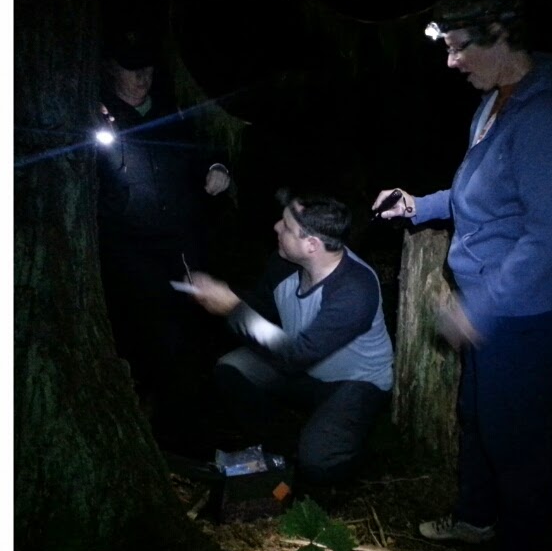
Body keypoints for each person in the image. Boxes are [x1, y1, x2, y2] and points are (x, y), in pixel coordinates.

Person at [372, 0, 552, 551]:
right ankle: (475, 518)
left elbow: (549, 236)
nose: (451, 61)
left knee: (514, 435)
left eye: (460, 46)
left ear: (502, 36)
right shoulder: (497, 100)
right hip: (490, 303)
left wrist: (483, 309)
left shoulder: (547, 116)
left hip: (523, 311)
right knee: (475, 415)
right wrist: (419, 205)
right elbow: (479, 194)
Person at [188, 189, 394, 487]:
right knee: (231, 368)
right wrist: (222, 295)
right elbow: (262, 308)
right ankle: (280, 447)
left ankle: (354, 460)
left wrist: (233, 308)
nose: (276, 227)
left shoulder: (354, 290)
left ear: (311, 245)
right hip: (304, 371)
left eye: (286, 226)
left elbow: (296, 355)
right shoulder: (282, 263)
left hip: (355, 382)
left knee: (319, 463)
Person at [95, 25, 234, 447]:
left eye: (148, 68)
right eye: (131, 69)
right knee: (144, 338)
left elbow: (205, 150)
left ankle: (188, 426)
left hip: (183, 246)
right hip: (128, 253)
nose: (142, 78)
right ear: (111, 69)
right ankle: (148, 426)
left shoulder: (171, 111)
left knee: (190, 334)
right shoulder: (95, 114)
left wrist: (217, 169)